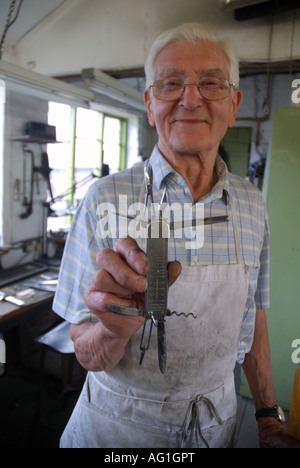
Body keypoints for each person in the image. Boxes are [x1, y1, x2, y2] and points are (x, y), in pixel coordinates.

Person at [53, 23, 300, 448]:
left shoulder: (251, 203)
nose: (190, 98)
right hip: (118, 431)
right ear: (149, 104)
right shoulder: (105, 199)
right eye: (170, 84)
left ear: (234, 103)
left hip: (214, 429)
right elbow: (84, 349)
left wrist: (267, 418)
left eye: (210, 82)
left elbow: (254, 318)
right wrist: (111, 332)